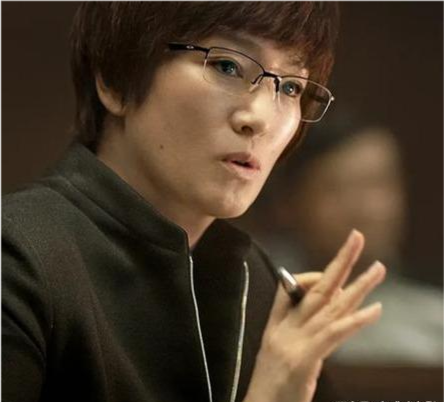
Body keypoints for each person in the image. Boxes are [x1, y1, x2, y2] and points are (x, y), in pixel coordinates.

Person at [0, 2, 386, 402]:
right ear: (114, 80)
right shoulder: (18, 255)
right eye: (227, 66)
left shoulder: (258, 284)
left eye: (290, 87)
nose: (259, 118)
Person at [248, 113, 444, 366]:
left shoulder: (433, 319)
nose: (366, 209)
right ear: (287, 203)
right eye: (337, 188)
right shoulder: (250, 298)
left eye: (378, 184)